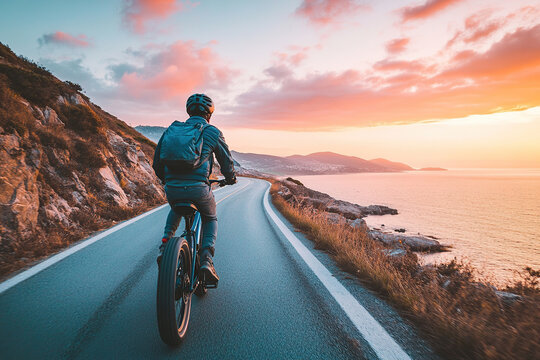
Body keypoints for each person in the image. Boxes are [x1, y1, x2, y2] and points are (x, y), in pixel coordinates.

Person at [152, 93, 236, 284]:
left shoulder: (171, 131)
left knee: (175, 208)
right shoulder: (212, 131)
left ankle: (165, 245)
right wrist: (230, 179)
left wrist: (168, 180)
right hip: (199, 190)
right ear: (210, 114)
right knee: (210, 217)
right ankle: (206, 259)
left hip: (172, 188)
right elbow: (226, 161)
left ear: (188, 111)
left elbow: (157, 163)